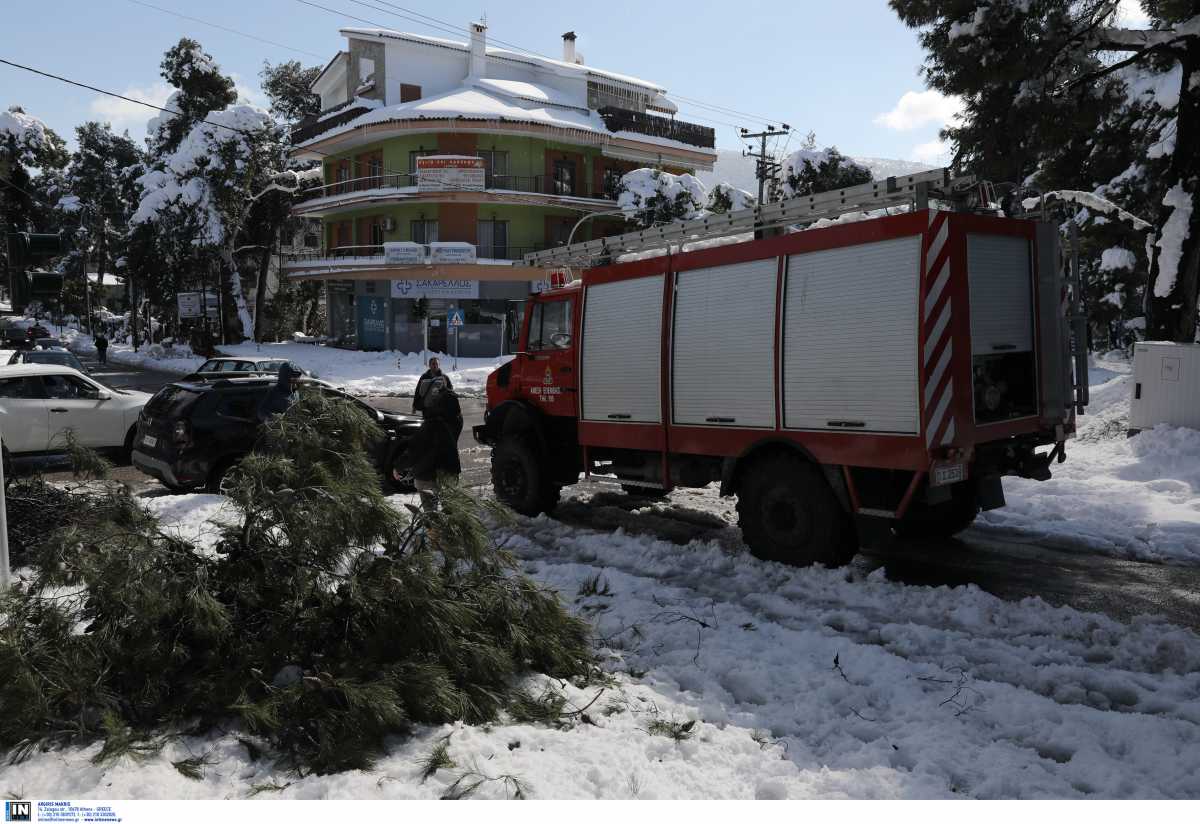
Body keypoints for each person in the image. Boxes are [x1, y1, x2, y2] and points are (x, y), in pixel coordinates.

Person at [400, 375, 462, 510]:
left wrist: (398, 467)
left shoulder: (431, 425)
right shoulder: (455, 419)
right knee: (451, 512)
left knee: (431, 515)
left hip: (427, 475)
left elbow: (414, 451)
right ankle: (449, 529)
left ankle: (434, 529)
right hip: (450, 471)